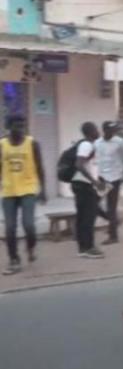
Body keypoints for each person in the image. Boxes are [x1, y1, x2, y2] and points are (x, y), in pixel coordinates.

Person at [1, 115, 46, 275]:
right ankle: (14, 259)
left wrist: (43, 190)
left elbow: (40, 167)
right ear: (8, 126)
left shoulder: (32, 143)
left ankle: (30, 247)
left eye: (22, 126)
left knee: (29, 225)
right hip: (9, 190)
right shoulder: (2, 145)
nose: (20, 129)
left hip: (28, 189)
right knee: (10, 228)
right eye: (16, 126)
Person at [94, 121, 123, 245]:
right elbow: (95, 160)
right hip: (101, 178)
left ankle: (113, 236)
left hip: (115, 178)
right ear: (105, 130)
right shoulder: (97, 143)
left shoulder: (120, 142)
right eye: (111, 130)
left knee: (112, 207)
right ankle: (112, 221)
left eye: (115, 130)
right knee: (93, 204)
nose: (114, 132)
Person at [73, 122, 105, 259]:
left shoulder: (89, 145)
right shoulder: (86, 145)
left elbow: (89, 165)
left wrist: (99, 179)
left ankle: (82, 247)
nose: (98, 131)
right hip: (84, 185)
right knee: (88, 218)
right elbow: (79, 165)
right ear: (90, 131)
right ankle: (89, 247)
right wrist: (94, 181)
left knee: (82, 217)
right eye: (96, 129)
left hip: (82, 184)